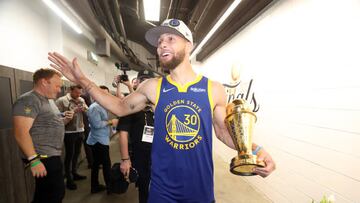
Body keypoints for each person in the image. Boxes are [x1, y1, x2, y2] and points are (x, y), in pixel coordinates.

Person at [48, 18, 276, 203]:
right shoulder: (153, 87)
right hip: (162, 190)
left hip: (200, 189)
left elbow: (224, 132)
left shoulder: (213, 89)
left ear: (189, 45)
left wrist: (255, 149)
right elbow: (118, 106)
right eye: (159, 42)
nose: (162, 44)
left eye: (170, 39)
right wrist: (84, 81)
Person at [12, 68, 74, 203]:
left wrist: (66, 120)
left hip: (51, 155)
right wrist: (34, 160)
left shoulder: (47, 100)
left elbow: (48, 124)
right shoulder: (29, 100)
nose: (59, 90)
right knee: (53, 194)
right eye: (57, 85)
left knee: (48, 194)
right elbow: (21, 132)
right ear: (44, 82)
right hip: (43, 156)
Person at [117, 70, 155, 203]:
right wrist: (125, 159)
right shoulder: (130, 105)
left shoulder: (160, 105)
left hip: (161, 156)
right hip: (141, 156)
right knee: (144, 189)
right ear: (137, 83)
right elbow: (123, 133)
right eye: (142, 80)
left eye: (148, 81)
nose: (145, 83)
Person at [86, 85, 117, 194]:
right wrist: (111, 122)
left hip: (101, 139)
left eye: (106, 94)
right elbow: (97, 124)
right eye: (102, 93)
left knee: (96, 164)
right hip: (98, 141)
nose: (105, 96)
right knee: (106, 164)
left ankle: (95, 186)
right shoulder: (94, 107)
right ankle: (110, 187)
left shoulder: (103, 105)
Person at [56, 85, 88, 190]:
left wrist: (84, 109)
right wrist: (71, 111)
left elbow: (87, 111)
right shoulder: (61, 100)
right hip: (69, 131)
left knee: (77, 153)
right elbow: (56, 116)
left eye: (80, 93)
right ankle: (69, 179)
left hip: (80, 129)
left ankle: (74, 173)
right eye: (76, 93)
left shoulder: (81, 99)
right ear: (70, 90)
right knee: (70, 154)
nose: (78, 95)